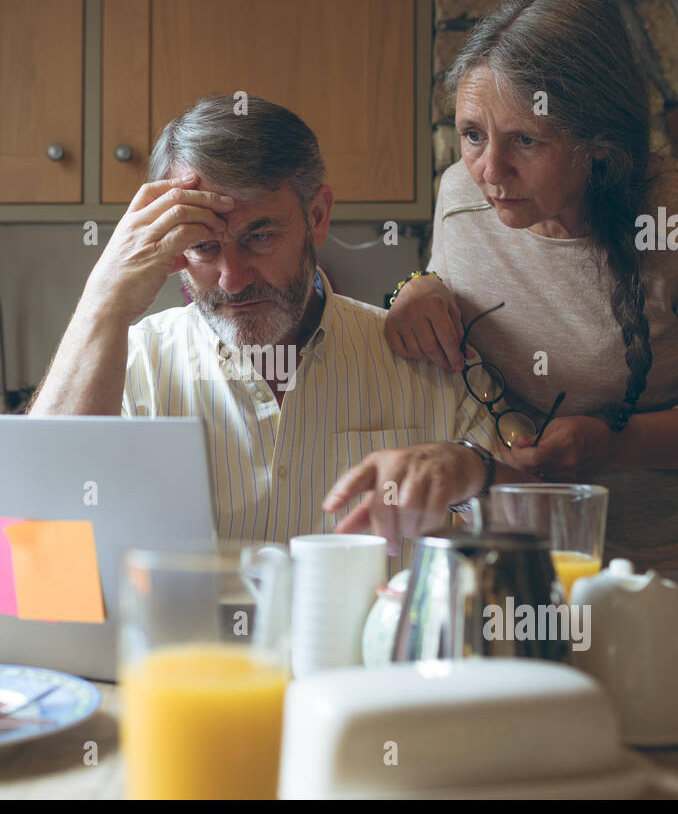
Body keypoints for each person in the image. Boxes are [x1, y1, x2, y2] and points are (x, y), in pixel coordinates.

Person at [384, 0, 678, 608]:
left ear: (599, 146)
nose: (490, 170)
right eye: (473, 134)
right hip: (520, 559)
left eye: (525, 140)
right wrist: (413, 291)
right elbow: (457, 309)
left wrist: (615, 441)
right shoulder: (462, 196)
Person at [28, 95, 527, 558]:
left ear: (317, 215)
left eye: (259, 235)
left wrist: (472, 473)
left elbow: (539, 532)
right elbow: (30, 540)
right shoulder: (132, 363)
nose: (232, 278)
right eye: (204, 246)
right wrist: (102, 304)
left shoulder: (429, 359)